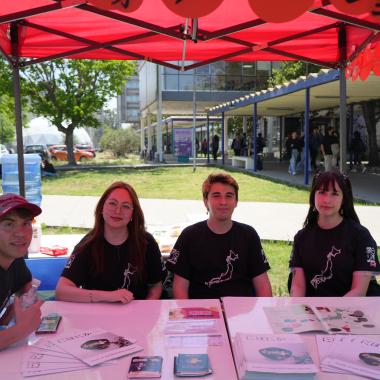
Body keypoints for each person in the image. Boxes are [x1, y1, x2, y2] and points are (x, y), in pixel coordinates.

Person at [165, 173, 272, 299]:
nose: (223, 202)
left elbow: (263, 285)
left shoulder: (249, 235)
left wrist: (263, 314)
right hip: (201, 312)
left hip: (241, 312)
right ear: (206, 202)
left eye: (229, 196)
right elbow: (180, 287)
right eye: (216, 196)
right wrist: (187, 315)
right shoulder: (189, 236)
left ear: (236, 201)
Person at [56, 181, 163, 303]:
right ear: (101, 208)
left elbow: (155, 286)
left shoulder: (146, 242)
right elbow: (61, 291)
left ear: (133, 213)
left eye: (126, 206)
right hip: (97, 317)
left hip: (136, 317)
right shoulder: (87, 245)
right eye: (112, 203)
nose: (118, 211)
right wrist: (108, 296)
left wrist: (145, 309)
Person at [289, 171, 379, 297]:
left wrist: (331, 315)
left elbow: (359, 292)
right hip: (313, 313)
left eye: (335, 194)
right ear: (313, 196)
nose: (327, 200)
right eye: (322, 192)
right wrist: (296, 309)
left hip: (354, 311)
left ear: (344, 199)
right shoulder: (301, 237)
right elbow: (297, 287)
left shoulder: (361, 236)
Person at [0, 193, 44, 350]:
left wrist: (15, 309)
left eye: (26, 223)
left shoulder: (14, 257)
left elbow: (25, 283)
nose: (20, 233)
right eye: (9, 224)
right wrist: (21, 329)